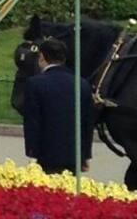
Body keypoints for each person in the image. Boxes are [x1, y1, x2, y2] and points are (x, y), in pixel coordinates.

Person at [22, 37, 96, 175]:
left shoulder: (35, 83)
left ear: (42, 57)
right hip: (75, 154)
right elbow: (87, 123)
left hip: (46, 154)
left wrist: (32, 153)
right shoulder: (82, 83)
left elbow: (32, 122)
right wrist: (85, 155)